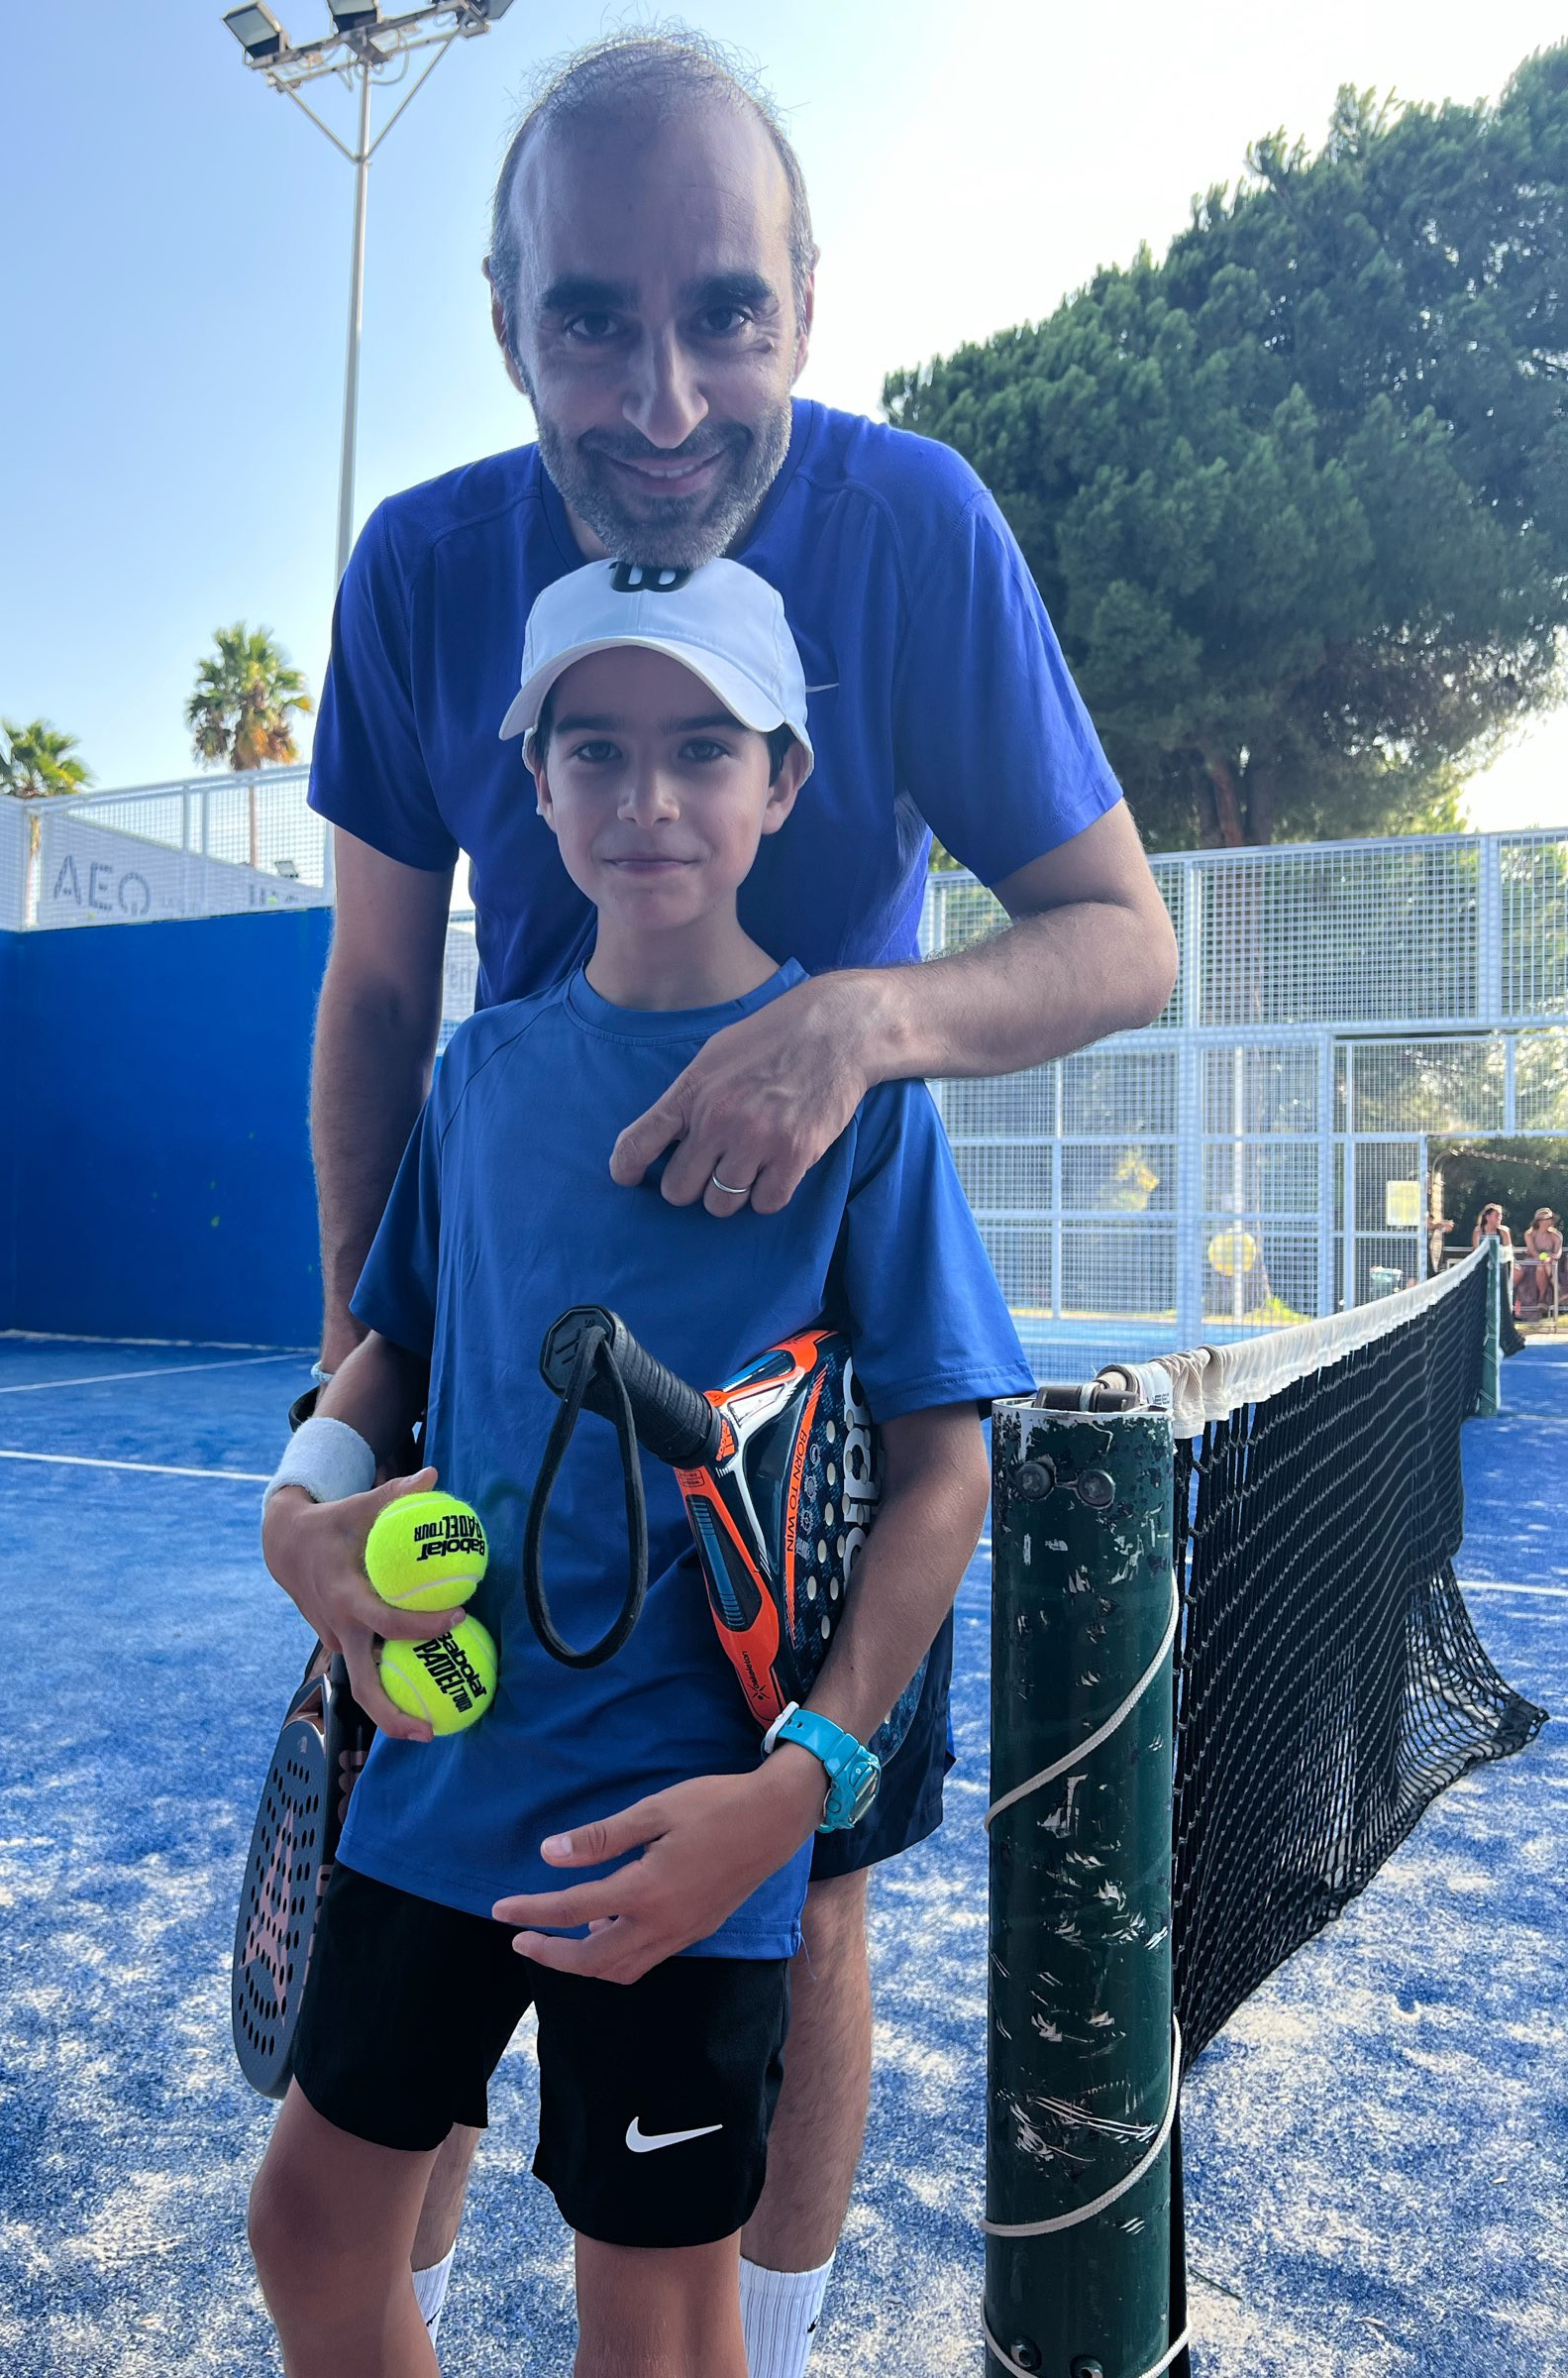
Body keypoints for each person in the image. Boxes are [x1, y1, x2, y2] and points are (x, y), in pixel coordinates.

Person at [302, 30, 1180, 2370]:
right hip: (498, 1406)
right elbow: (377, 997)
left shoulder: (918, 529)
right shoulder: (419, 573)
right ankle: (422, 2288)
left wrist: (857, 1023)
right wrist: (356, 1407)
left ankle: (748, 2354)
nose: (666, 395)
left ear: (807, 302)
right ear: (508, 324)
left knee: (801, 1893)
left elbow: (1122, 940)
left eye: (726, 314)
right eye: (592, 319)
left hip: (789, 1433)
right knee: (447, 1863)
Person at [251, 559, 1031, 2375]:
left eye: (701, 748)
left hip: (694, 1828)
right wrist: (298, 1517)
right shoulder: (481, 1076)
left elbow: (945, 1469)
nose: (647, 796)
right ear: (535, 788)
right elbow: (398, 1345)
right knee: (310, 2229)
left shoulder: (863, 1100)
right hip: (439, 1770)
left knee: (661, 2324)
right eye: (593, 749)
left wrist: (800, 1787)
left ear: (783, 781)